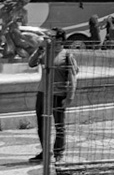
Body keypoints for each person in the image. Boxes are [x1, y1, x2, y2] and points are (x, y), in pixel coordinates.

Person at [28, 31, 77, 163]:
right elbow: (31, 63)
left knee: (59, 125)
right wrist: (39, 49)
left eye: (52, 37)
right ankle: (45, 151)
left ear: (60, 40)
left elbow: (73, 77)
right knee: (42, 124)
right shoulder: (45, 53)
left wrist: (69, 97)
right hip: (43, 93)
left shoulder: (66, 55)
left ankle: (59, 152)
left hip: (58, 95)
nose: (48, 39)